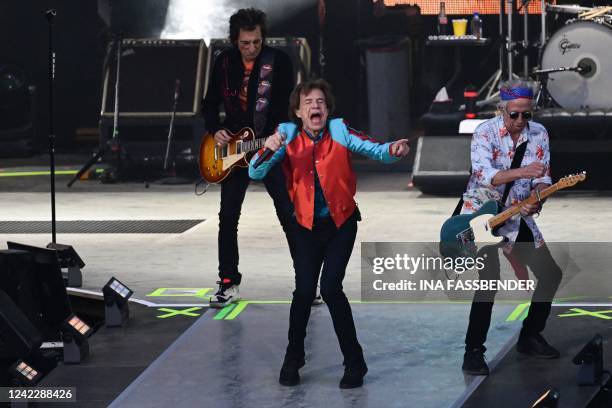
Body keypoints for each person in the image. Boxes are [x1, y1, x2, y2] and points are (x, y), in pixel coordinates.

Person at [249, 79, 409, 388]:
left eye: (320, 102)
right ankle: (293, 358)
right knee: (304, 292)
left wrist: (393, 150)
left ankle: (355, 363)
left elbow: (375, 149)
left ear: (328, 108)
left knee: (332, 289)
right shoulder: (287, 135)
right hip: (305, 227)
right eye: (308, 102)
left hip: (340, 224)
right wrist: (267, 149)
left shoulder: (339, 131)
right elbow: (255, 173)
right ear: (298, 111)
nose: (315, 107)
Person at [460, 79, 563, 376]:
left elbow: (542, 178)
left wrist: (538, 199)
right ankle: (473, 351)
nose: (520, 121)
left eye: (526, 114)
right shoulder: (484, 133)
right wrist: (523, 171)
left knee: (550, 274)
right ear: (500, 109)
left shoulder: (539, 134)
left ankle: (530, 335)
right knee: (489, 279)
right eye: (514, 114)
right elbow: (484, 176)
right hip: (483, 213)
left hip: (517, 214)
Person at [202, 8, 296, 308]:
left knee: (288, 212)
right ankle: (228, 282)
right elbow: (208, 104)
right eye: (245, 43)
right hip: (232, 150)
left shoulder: (278, 62)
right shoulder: (224, 62)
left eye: (256, 42)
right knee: (228, 217)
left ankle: (307, 280)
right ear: (234, 40)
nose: (252, 48)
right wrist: (215, 129)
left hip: (268, 146)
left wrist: (278, 135)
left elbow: (289, 108)